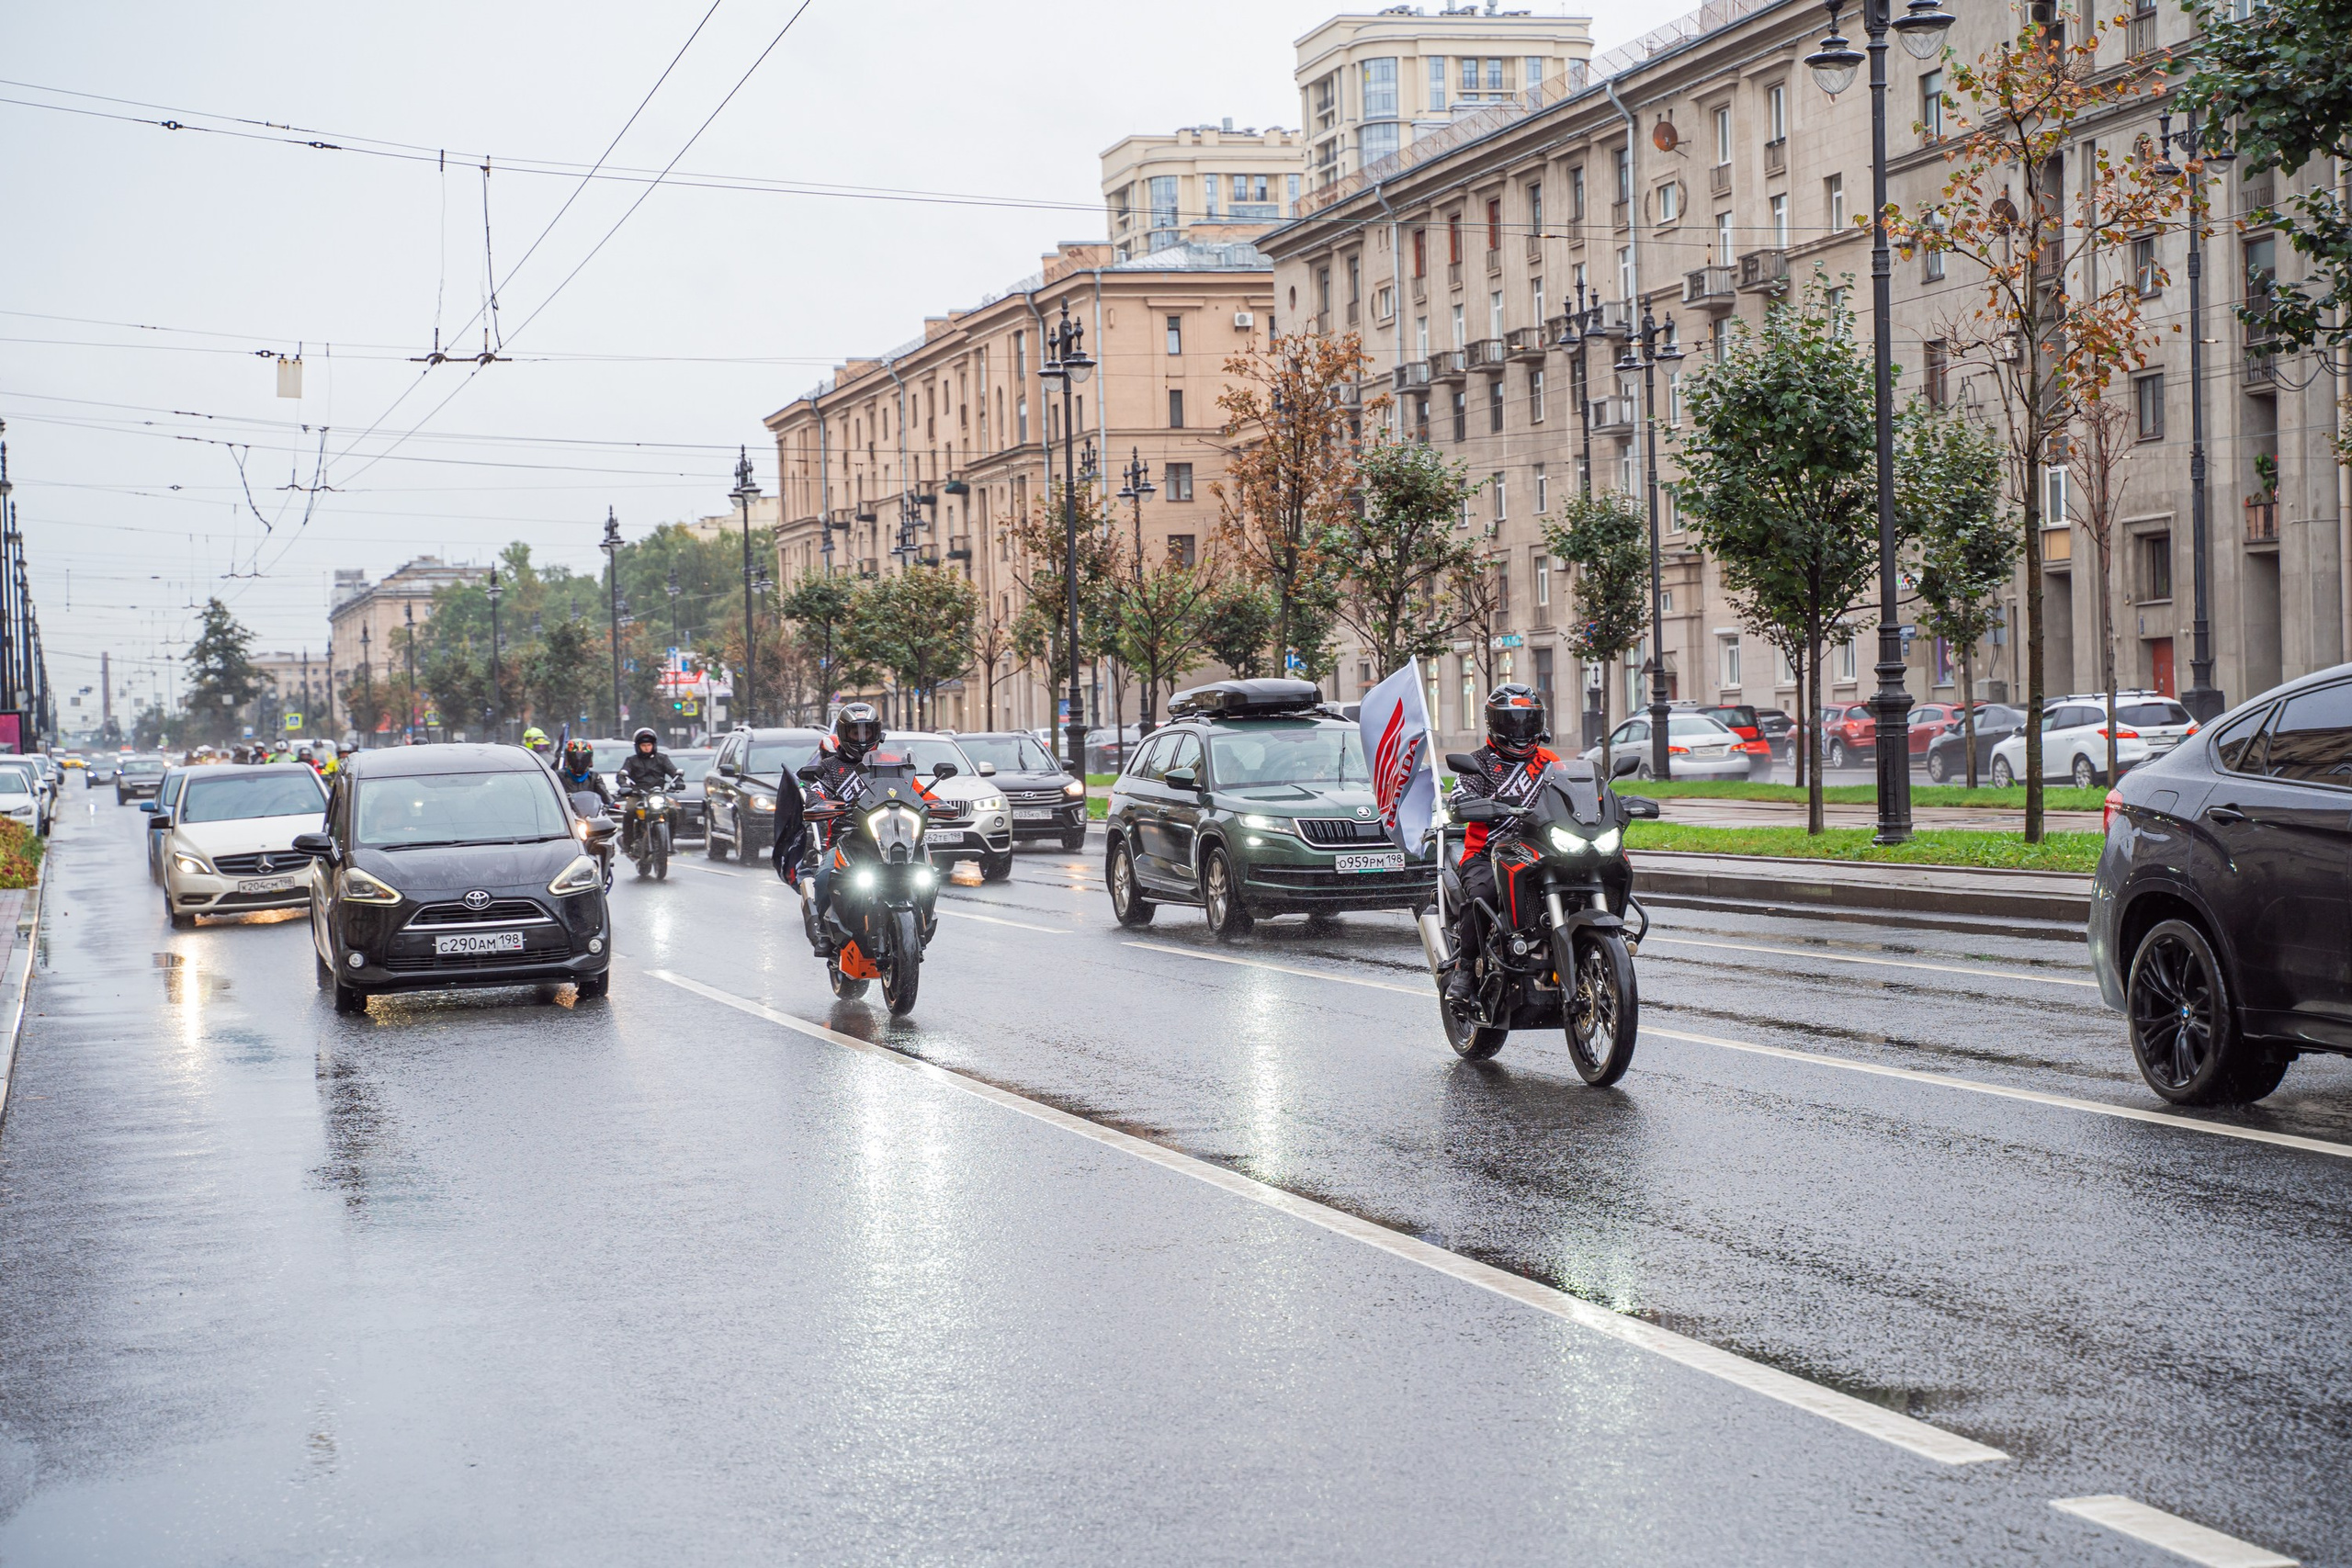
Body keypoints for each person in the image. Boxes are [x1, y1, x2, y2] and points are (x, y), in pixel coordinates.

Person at [1444, 683, 1562, 1010]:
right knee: (1483, 896)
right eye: (1512, 722)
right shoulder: (1478, 764)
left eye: (1528, 722)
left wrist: (1605, 800)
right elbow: (1458, 797)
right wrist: (1467, 803)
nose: (1521, 730)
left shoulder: (1550, 761)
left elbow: (1574, 794)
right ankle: (1464, 971)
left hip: (1542, 851)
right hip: (1488, 854)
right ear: (1494, 724)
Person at [795, 703, 888, 954]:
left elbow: (911, 789)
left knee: (925, 873)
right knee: (825, 875)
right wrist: (820, 803)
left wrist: (931, 802)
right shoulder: (830, 767)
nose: (861, 738)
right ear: (844, 734)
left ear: (876, 733)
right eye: (855, 733)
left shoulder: (888, 763)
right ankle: (824, 932)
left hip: (888, 838)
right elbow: (815, 791)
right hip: (845, 839)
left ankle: (918, 919)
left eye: (867, 732)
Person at [615, 728, 682, 855]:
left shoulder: (662, 758)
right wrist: (624, 785)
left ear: (654, 745)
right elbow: (622, 775)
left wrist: (678, 781)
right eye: (644, 745)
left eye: (649, 745)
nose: (646, 748)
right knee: (629, 812)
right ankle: (627, 843)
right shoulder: (631, 760)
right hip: (637, 795)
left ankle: (670, 842)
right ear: (638, 746)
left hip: (658, 794)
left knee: (673, 811)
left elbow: (673, 771)